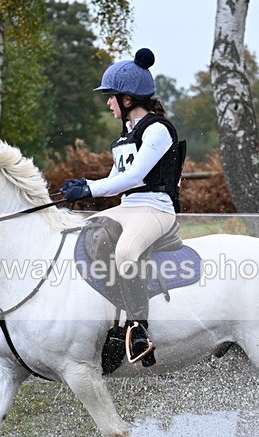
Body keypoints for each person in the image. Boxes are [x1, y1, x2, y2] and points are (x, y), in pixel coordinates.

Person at [61, 48, 183, 364]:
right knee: (81, 232)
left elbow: (134, 177)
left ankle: (140, 331)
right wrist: (81, 191)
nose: (108, 103)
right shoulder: (126, 134)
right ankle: (104, 316)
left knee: (126, 252)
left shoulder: (157, 129)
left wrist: (89, 186)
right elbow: (116, 178)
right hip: (129, 207)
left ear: (127, 99)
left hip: (156, 209)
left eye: (111, 97)